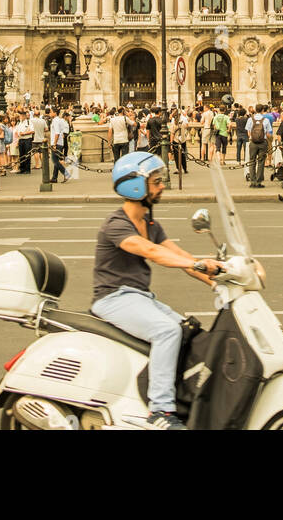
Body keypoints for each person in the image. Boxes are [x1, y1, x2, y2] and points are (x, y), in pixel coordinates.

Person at [91, 152, 223, 430]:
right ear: (135, 186)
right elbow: (152, 252)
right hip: (113, 298)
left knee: (185, 331)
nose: (162, 186)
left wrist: (219, 281)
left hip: (138, 297)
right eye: (156, 182)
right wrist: (197, 263)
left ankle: (181, 399)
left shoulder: (150, 224)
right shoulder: (117, 224)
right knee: (167, 331)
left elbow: (181, 257)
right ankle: (160, 411)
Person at [246, 104, 271, 188]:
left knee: (252, 161)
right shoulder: (266, 120)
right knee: (261, 162)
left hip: (253, 143)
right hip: (262, 143)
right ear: (262, 110)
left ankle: (252, 181)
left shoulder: (250, 119)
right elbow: (268, 133)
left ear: (255, 110)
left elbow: (248, 132)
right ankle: (259, 181)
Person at [50, 107, 71, 182]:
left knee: (55, 160)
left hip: (56, 143)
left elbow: (57, 133)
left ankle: (66, 173)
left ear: (55, 113)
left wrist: (54, 143)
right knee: (56, 160)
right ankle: (54, 178)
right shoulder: (59, 120)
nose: (50, 113)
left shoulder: (56, 121)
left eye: (51, 112)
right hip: (60, 142)